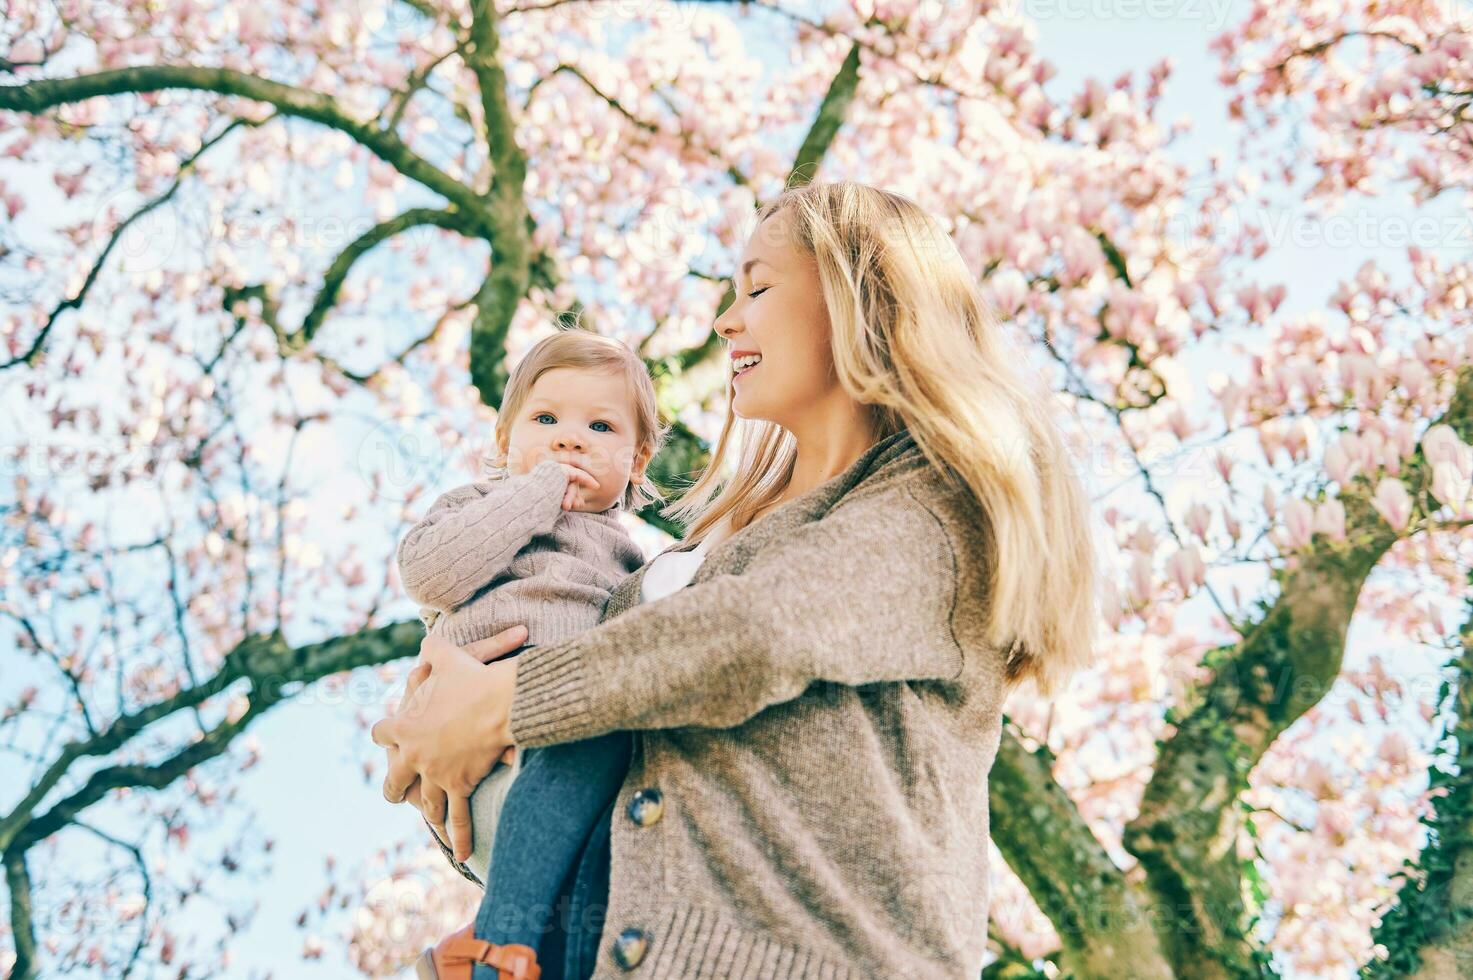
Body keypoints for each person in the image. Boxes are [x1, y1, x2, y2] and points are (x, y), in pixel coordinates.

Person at [373, 180, 1101, 978]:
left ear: (860, 294)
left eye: (757, 286)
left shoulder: (934, 500)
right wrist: (452, 765)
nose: (726, 319)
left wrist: (508, 702)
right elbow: (612, 763)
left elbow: (763, 632)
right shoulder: (694, 558)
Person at [392, 329, 665, 978]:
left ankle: (486, 954)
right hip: (480, 760)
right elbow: (431, 573)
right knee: (585, 743)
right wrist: (536, 493)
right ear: (504, 442)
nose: (570, 439)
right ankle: (498, 949)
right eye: (545, 420)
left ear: (636, 461)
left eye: (600, 426)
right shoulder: (477, 507)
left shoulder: (635, 559)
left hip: (569, 746)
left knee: (605, 872)